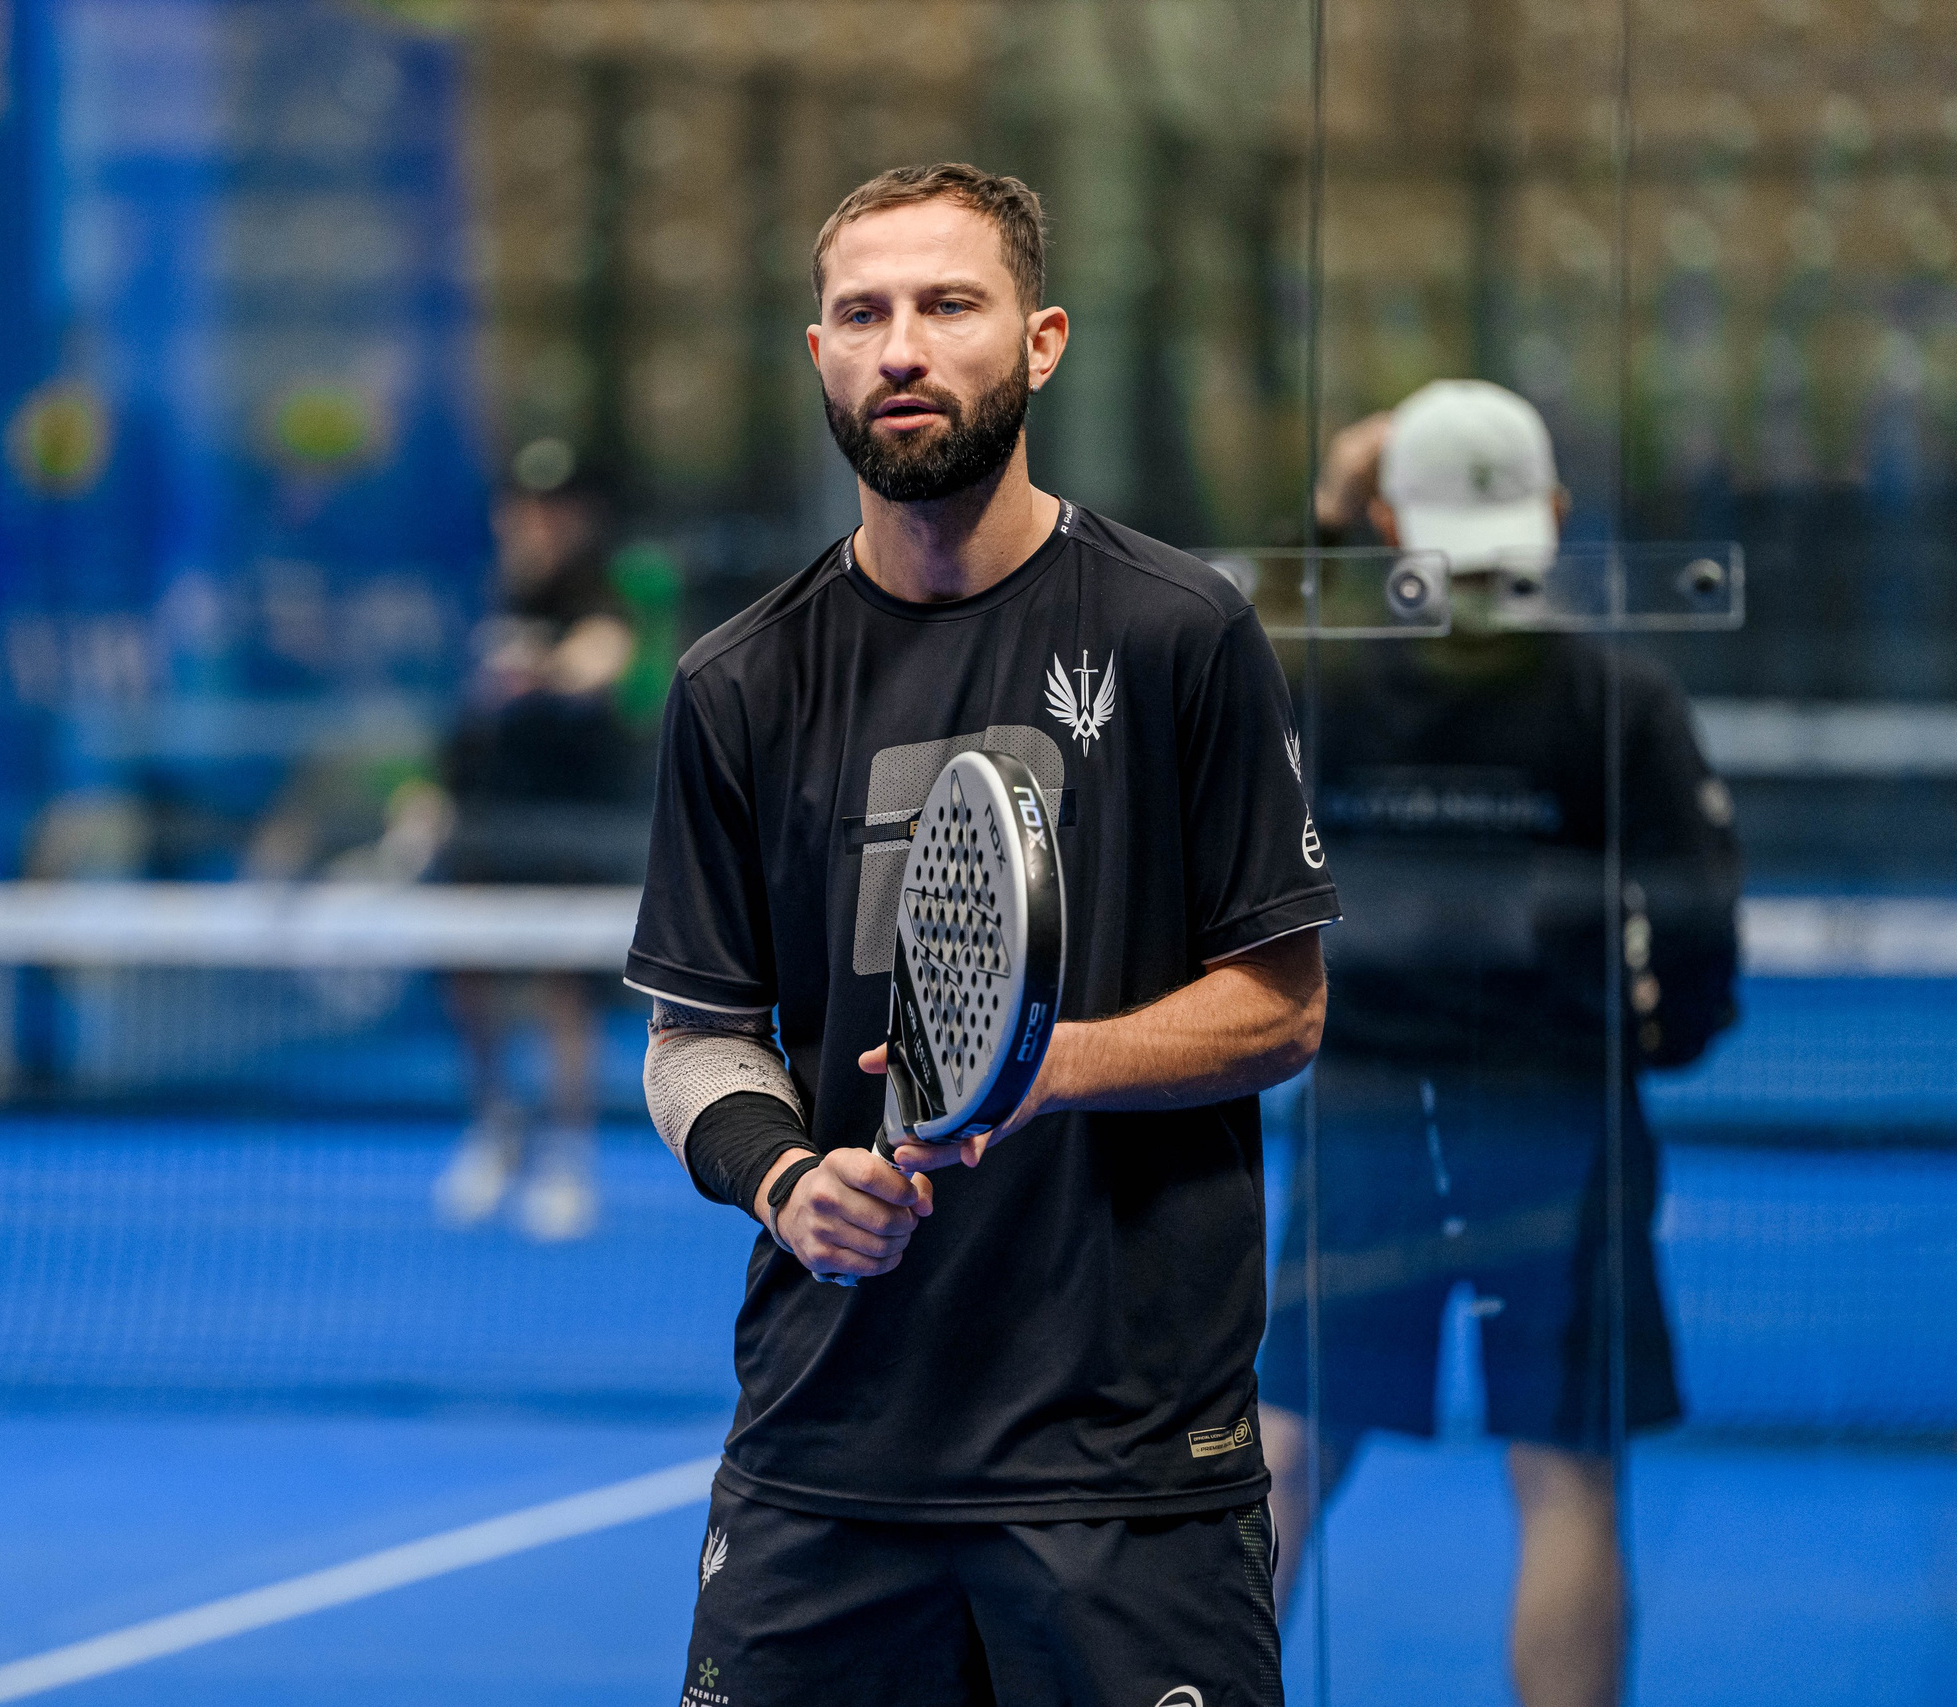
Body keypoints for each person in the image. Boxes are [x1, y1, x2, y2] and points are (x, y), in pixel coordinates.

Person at [632, 163, 1337, 1707]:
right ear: (816, 354)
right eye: (862, 313)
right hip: (821, 1460)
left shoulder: (1179, 633)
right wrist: (789, 1178)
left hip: (1130, 1469)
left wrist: (1040, 1065)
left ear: (1041, 342)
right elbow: (693, 1041)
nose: (903, 346)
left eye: (950, 305)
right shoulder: (735, 683)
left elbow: (1284, 1009)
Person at [1260, 381, 1741, 1707]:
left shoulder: (1323, 679)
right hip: (1559, 1116)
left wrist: (1333, 517)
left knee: (1285, 1450)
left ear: (1388, 512)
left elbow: (1230, 666)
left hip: (1368, 1112)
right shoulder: (1620, 696)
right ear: (1558, 517)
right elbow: (1701, 928)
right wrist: (1665, 1035)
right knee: (1565, 1469)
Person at [431, 452, 649, 1242]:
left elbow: (602, 664)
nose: (536, 523)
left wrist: (544, 671)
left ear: (580, 519)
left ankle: (566, 1155)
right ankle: (497, 1128)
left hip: (567, 826)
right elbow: (463, 722)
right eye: (523, 508)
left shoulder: (601, 600)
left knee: (562, 994)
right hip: (485, 823)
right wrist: (433, 797)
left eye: (554, 509)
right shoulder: (486, 597)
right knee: (471, 984)